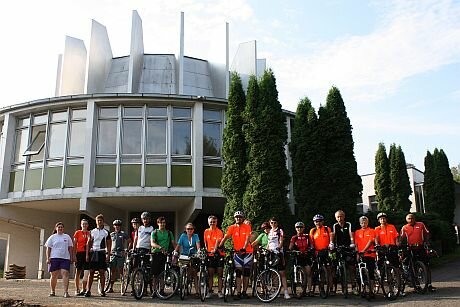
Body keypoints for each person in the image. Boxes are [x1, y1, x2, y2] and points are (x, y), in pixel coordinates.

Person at [219, 210, 253, 299]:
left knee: (246, 272)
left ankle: (244, 292)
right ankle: (238, 292)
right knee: (238, 271)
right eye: (237, 217)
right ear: (234, 218)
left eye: (240, 217)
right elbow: (226, 236)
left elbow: (247, 238)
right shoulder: (232, 227)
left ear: (243, 218)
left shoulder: (247, 226)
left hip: (247, 252)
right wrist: (220, 245)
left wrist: (244, 248)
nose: (238, 218)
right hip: (237, 252)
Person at [400, 213, 435, 291]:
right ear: (406, 220)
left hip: (420, 247)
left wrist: (427, 241)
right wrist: (399, 246)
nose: (411, 220)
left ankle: (429, 284)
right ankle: (417, 285)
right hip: (411, 248)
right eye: (409, 218)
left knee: (426, 265)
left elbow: (427, 233)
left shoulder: (421, 224)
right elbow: (401, 238)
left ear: (414, 218)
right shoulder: (404, 227)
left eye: (412, 218)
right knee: (412, 267)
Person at [330, 210, 358, 295]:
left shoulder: (348, 224)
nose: (340, 218)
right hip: (338, 248)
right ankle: (334, 287)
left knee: (351, 268)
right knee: (334, 267)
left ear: (344, 216)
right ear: (336, 218)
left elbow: (351, 234)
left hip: (348, 247)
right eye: (338, 217)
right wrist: (331, 243)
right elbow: (333, 235)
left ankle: (353, 287)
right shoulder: (335, 225)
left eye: (341, 216)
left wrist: (352, 243)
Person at [45, 222, 74, 298]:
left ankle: (65, 292)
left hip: (65, 258)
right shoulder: (52, 237)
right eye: (59, 227)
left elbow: (70, 248)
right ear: (56, 228)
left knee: (65, 273)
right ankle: (52, 291)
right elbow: (48, 248)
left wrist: (71, 257)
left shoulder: (67, 237)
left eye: (61, 227)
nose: (60, 228)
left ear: (63, 229)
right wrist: (48, 258)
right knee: (54, 275)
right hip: (54, 258)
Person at [85, 214, 111, 297]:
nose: (99, 222)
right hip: (93, 252)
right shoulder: (92, 231)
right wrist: (87, 254)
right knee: (91, 272)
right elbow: (88, 243)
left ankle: (102, 290)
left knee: (102, 272)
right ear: (96, 221)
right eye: (98, 220)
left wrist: (108, 255)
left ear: (103, 221)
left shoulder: (106, 232)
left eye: (101, 220)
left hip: (102, 253)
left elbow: (109, 244)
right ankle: (88, 290)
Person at [265, 217, 290, 299]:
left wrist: (279, 248)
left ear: (277, 223)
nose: (273, 224)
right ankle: (277, 292)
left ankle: (286, 292)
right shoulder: (270, 232)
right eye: (272, 222)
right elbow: (269, 243)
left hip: (278, 253)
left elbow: (281, 241)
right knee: (273, 273)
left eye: (275, 222)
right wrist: (266, 250)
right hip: (271, 254)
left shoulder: (280, 231)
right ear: (270, 223)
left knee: (282, 273)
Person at [151, 216, 176, 298]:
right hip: (156, 254)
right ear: (158, 223)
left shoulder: (169, 233)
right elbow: (152, 243)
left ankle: (161, 290)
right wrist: (160, 247)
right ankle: (154, 291)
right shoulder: (154, 232)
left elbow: (173, 243)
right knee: (155, 274)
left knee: (163, 273)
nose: (162, 224)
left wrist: (177, 251)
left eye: (164, 223)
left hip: (165, 255)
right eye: (161, 223)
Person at [309, 214, 334, 291]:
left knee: (329, 270)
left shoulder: (327, 229)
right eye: (316, 221)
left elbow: (331, 237)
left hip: (326, 251)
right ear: (314, 222)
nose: (318, 223)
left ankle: (331, 288)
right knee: (320, 271)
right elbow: (311, 242)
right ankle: (321, 288)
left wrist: (331, 243)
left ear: (322, 221)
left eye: (319, 221)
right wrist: (312, 248)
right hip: (318, 252)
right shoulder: (313, 231)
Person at [175, 222, 200, 297]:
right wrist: (175, 252)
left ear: (193, 230)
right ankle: (181, 286)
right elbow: (178, 245)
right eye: (188, 229)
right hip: (184, 256)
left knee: (195, 274)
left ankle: (197, 292)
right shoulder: (183, 236)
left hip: (193, 255)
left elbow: (198, 245)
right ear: (185, 230)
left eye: (191, 229)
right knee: (182, 271)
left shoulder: (196, 236)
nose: (189, 230)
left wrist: (198, 252)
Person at [289, 221, 313, 297]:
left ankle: (310, 290)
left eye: (301, 227)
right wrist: (291, 250)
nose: (299, 229)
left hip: (306, 256)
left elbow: (311, 245)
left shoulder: (307, 236)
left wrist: (310, 249)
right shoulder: (294, 237)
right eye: (297, 227)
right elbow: (290, 246)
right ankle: (299, 289)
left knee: (308, 272)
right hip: (298, 256)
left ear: (304, 228)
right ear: (295, 228)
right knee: (299, 272)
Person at [354, 216, 376, 298]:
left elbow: (370, 241)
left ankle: (371, 290)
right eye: (362, 222)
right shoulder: (357, 232)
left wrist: (364, 250)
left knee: (370, 273)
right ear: (360, 223)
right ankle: (363, 290)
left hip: (370, 254)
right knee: (361, 274)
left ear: (368, 223)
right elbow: (356, 244)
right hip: (360, 255)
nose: (364, 224)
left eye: (365, 222)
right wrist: (357, 253)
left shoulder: (371, 231)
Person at [203, 215, 225, 298]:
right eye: (211, 222)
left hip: (219, 254)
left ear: (216, 222)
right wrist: (206, 249)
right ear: (208, 222)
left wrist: (215, 249)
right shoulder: (206, 231)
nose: (212, 223)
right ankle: (210, 291)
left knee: (220, 274)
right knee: (210, 274)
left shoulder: (219, 231)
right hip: (209, 255)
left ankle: (219, 291)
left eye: (214, 222)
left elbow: (217, 242)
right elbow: (205, 242)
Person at [108, 219, 131, 293]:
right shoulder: (111, 234)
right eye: (116, 225)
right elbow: (108, 243)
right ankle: (111, 287)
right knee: (112, 271)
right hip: (113, 253)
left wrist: (126, 249)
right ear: (114, 226)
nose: (117, 227)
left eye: (118, 225)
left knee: (121, 270)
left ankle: (122, 286)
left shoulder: (123, 234)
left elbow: (130, 241)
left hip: (120, 254)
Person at [73, 219, 90, 296]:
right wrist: (74, 255)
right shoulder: (77, 233)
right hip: (79, 253)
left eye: (86, 224)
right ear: (81, 224)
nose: (84, 225)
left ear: (88, 225)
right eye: (83, 224)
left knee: (86, 272)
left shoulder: (89, 233)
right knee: (78, 272)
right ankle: (77, 289)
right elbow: (74, 244)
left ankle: (84, 289)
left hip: (87, 253)